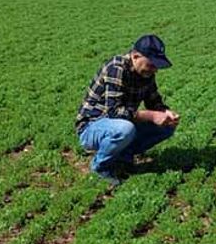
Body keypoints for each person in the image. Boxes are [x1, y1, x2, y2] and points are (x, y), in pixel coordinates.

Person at [75, 34, 179, 186]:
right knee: (125, 129)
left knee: (167, 127)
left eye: (156, 66)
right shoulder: (116, 68)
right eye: (151, 64)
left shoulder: (146, 73)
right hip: (92, 127)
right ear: (136, 56)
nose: (154, 69)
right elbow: (114, 111)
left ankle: (124, 157)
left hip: (118, 123)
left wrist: (165, 112)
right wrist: (151, 115)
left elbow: (154, 101)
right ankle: (100, 166)